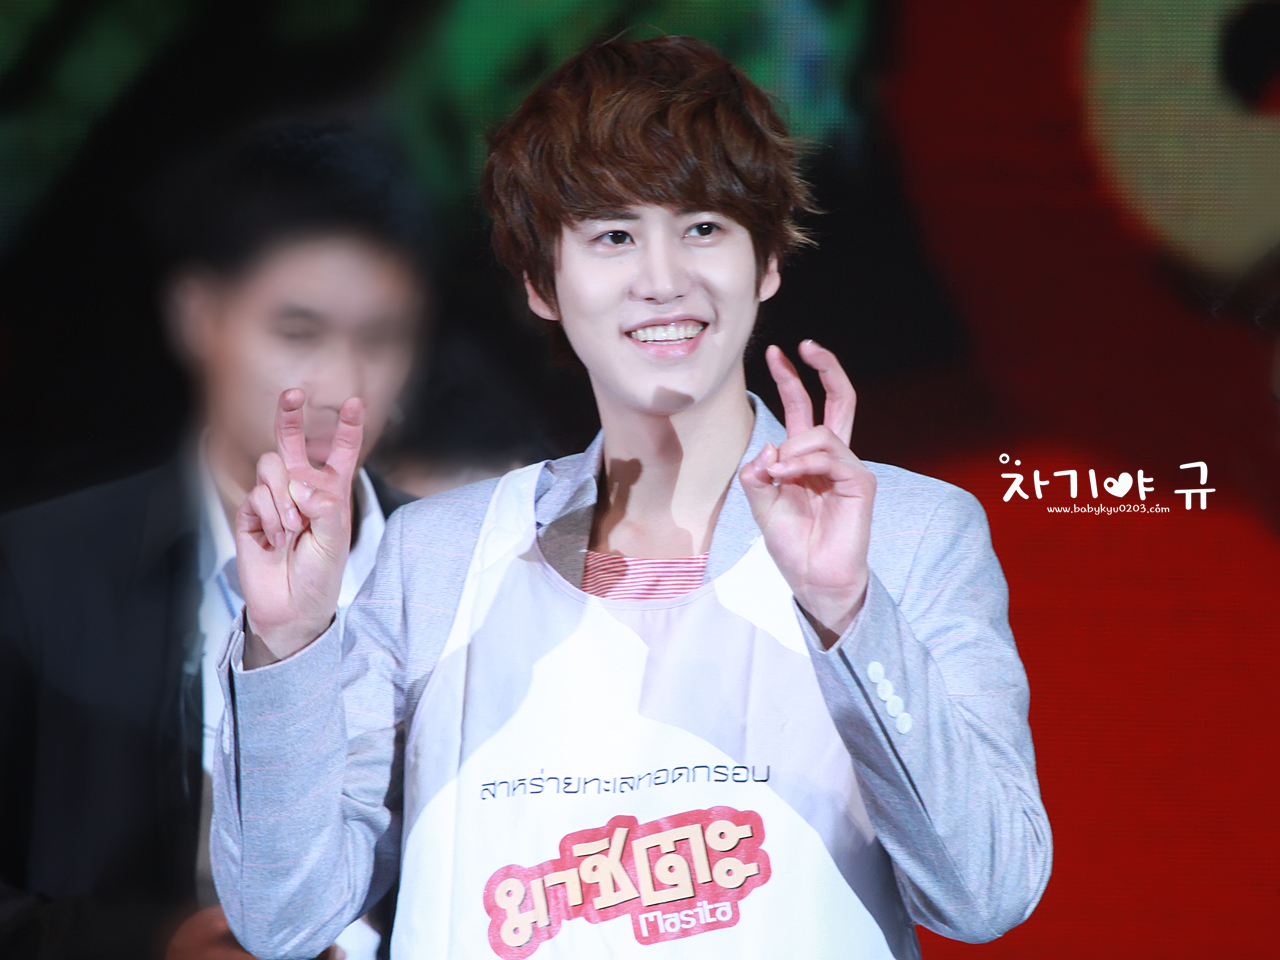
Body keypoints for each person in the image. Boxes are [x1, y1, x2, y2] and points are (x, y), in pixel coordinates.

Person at [211, 36, 1051, 959]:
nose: (662, 280)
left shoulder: (909, 534)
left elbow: (987, 893)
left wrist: (847, 612)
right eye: (612, 235)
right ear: (542, 283)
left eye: (704, 228)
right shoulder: (439, 558)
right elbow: (284, 920)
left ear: (768, 261)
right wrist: (287, 647)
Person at [0, 118, 427, 959]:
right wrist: (145, 944)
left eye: (380, 339)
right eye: (298, 332)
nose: (342, 384)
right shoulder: (39, 570)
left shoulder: (464, 575)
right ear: (200, 315)